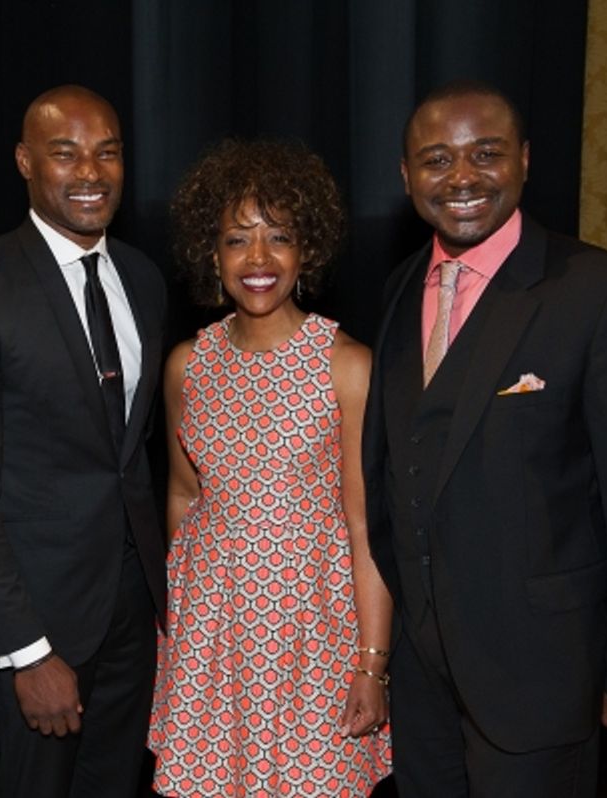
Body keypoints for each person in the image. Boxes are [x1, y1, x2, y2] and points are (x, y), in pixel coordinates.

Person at [362, 79, 607, 796]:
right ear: (406, 176)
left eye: (486, 154)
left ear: (525, 160)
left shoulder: (603, 296)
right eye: (436, 160)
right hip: (423, 677)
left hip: (541, 675)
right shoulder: (398, 289)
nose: (462, 178)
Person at [0, 85, 167, 797]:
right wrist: (26, 653)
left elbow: (126, 459)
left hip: (131, 615)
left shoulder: (143, 281)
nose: (90, 171)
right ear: (25, 162)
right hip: (39, 626)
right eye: (65, 153)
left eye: (107, 152)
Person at [149, 139, 394, 797]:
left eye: (278, 237)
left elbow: (365, 523)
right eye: (237, 240)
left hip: (314, 640)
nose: (258, 259)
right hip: (212, 636)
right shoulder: (186, 365)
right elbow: (181, 495)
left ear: (305, 251)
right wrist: (181, 627)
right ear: (213, 253)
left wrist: (373, 663)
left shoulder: (347, 365)